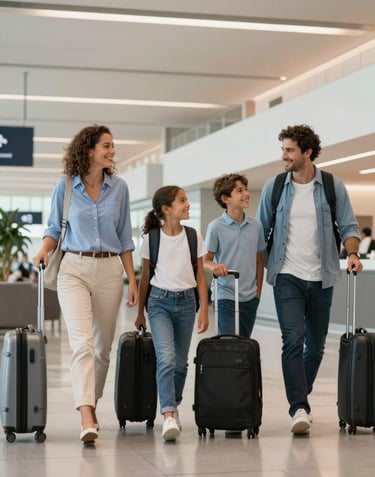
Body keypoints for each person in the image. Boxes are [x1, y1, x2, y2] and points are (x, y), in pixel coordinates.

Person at [33, 124, 138, 444]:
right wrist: (43, 249)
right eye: (106, 145)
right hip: (73, 268)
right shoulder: (64, 187)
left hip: (109, 270)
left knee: (103, 349)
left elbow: (124, 238)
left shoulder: (119, 188)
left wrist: (132, 281)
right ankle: (86, 414)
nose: (112, 151)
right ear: (88, 150)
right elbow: (54, 227)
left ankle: (92, 399)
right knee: (83, 344)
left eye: (113, 146)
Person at [256, 124, 363, 435]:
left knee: (315, 348)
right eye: (283, 150)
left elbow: (349, 226)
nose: (284, 156)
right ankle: (299, 407)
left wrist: (353, 253)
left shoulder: (332, 185)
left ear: (307, 152)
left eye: (289, 150)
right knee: (292, 341)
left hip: (322, 276)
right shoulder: (275, 187)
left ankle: (300, 396)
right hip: (286, 274)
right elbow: (260, 232)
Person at [135, 185, 209, 442]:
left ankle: (174, 404)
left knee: (180, 362)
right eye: (182, 201)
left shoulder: (193, 235)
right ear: (166, 209)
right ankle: (167, 414)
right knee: (165, 358)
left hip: (187, 302)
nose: (187, 204)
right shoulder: (151, 239)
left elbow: (200, 274)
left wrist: (204, 309)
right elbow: (145, 277)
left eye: (186, 200)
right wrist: (140, 312)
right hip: (158, 303)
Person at [204, 173, 266, 337]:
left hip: (250, 296)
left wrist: (258, 293)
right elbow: (205, 261)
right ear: (226, 199)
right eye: (239, 190)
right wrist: (215, 266)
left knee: (244, 343)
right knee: (229, 340)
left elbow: (259, 261)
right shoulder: (215, 227)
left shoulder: (256, 226)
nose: (246, 194)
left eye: (245, 189)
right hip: (225, 293)